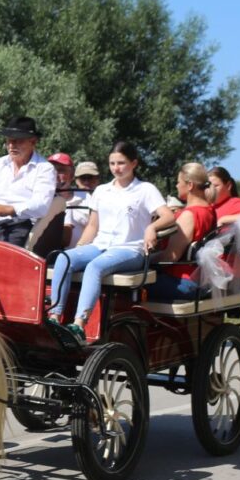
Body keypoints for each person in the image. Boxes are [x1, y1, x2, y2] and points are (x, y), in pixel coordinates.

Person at [47, 141, 175, 341]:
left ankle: (79, 325)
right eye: (112, 163)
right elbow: (92, 226)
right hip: (101, 244)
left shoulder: (145, 189)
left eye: (121, 163)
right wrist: (80, 248)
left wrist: (152, 227)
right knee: (64, 259)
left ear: (134, 163)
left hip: (130, 249)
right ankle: (54, 317)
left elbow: (168, 216)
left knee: (95, 267)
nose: (116, 168)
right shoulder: (102, 191)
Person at [0, 116, 57, 247]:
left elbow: (40, 206)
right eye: (9, 141)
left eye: (18, 141)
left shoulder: (45, 169)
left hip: (21, 226)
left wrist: (8, 209)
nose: (11, 146)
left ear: (33, 142)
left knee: (3, 258)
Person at [146, 163, 218, 301]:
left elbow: (170, 256)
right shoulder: (210, 211)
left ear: (190, 185)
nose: (176, 186)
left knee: (124, 286)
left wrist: (144, 260)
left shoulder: (188, 215)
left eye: (178, 182)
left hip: (183, 281)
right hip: (199, 279)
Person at [64, 161, 100, 249]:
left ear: (98, 179)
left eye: (90, 177)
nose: (87, 181)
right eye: (83, 178)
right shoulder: (68, 197)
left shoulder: (105, 197)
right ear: (76, 180)